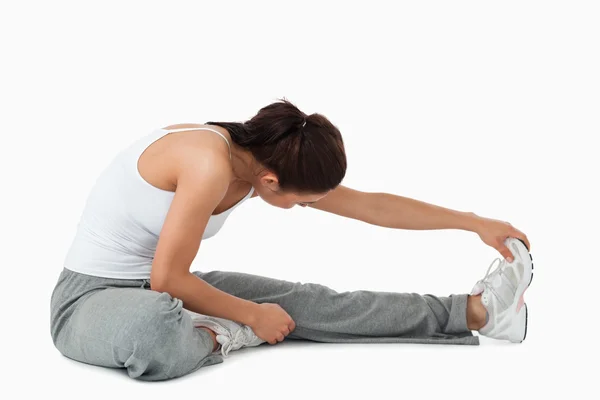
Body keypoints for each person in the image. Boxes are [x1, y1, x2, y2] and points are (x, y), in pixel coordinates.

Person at [50, 99, 533, 381]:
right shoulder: (207, 163)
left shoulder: (267, 157)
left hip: (171, 290)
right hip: (90, 301)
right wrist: (250, 314)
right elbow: (166, 278)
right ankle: (223, 334)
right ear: (272, 182)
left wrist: (474, 221)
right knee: (154, 328)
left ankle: (475, 312)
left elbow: (371, 205)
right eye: (305, 202)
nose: (308, 206)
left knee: (306, 300)